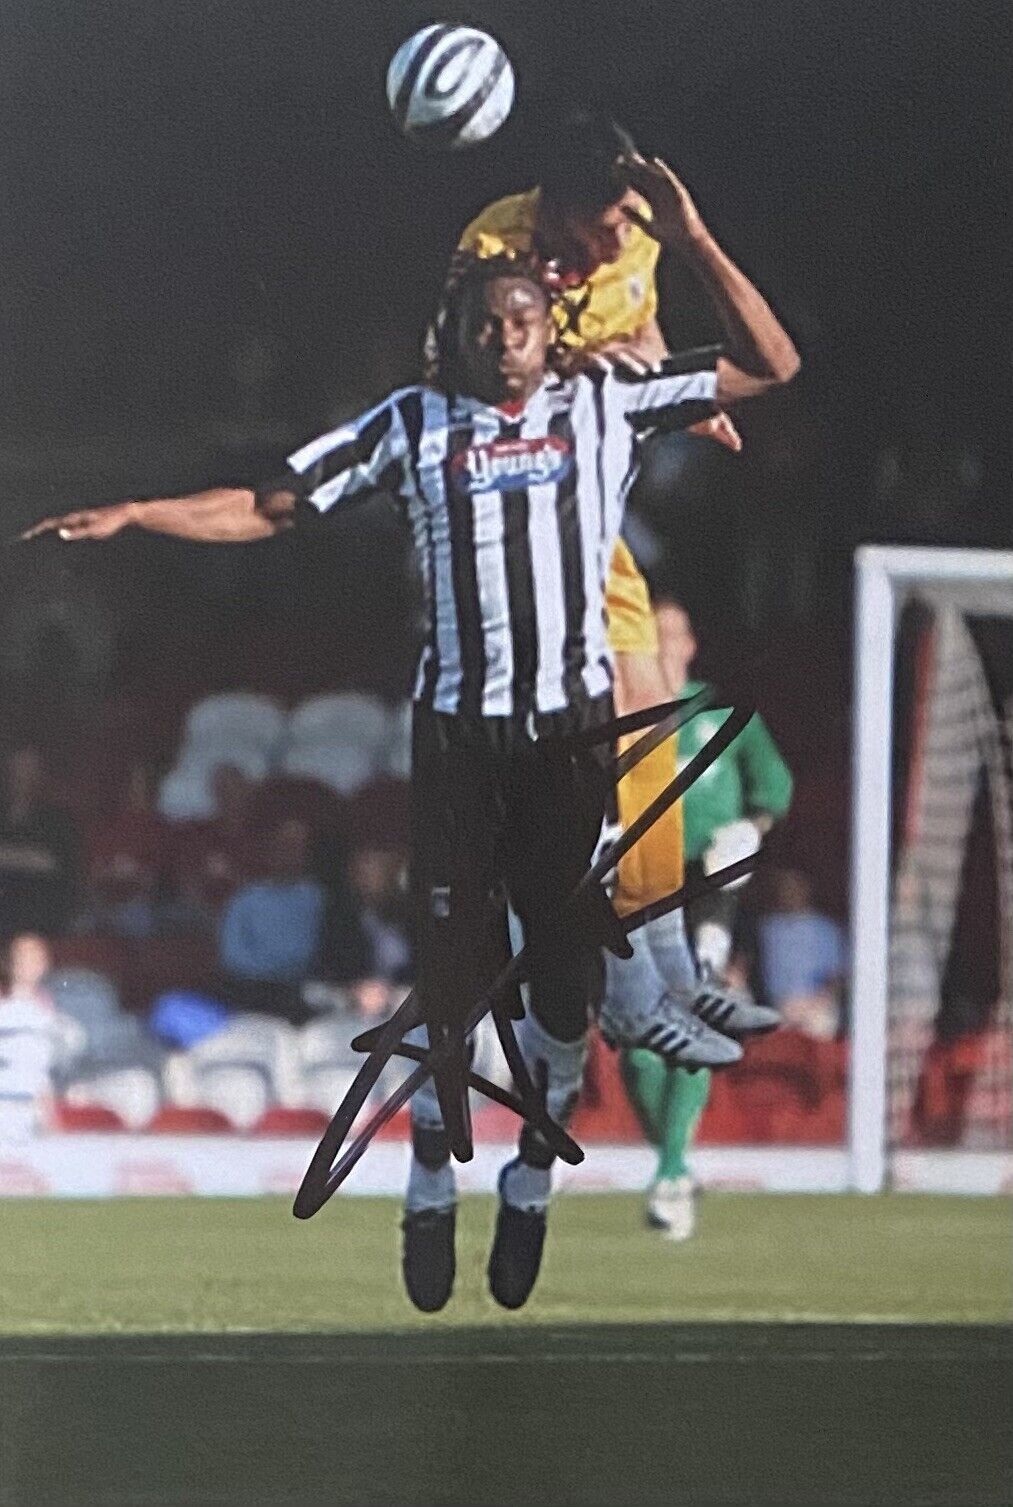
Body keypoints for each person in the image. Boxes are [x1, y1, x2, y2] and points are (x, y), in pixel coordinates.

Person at [25, 178, 799, 1309]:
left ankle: (530, 1180)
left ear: (551, 329)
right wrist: (141, 513)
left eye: (522, 321)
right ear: (458, 333)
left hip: (568, 738)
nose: (502, 339)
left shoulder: (606, 404)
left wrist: (690, 235)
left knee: (567, 999)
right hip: (458, 742)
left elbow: (770, 364)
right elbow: (269, 500)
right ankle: (430, 1185)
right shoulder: (409, 426)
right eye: (484, 323)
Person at [617, 596, 793, 1239]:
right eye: (648, 637)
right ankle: (674, 1163)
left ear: (690, 645)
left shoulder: (727, 718)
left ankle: (668, 1174)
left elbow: (772, 789)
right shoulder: (614, 718)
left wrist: (750, 827)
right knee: (637, 1050)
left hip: (708, 895)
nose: (661, 648)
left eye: (670, 636)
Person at [0, 747, 80, 939]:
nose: (22, 777)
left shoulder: (56, 820)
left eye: (29, 770)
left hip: (39, 913)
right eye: (17, 769)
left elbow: (52, 863)